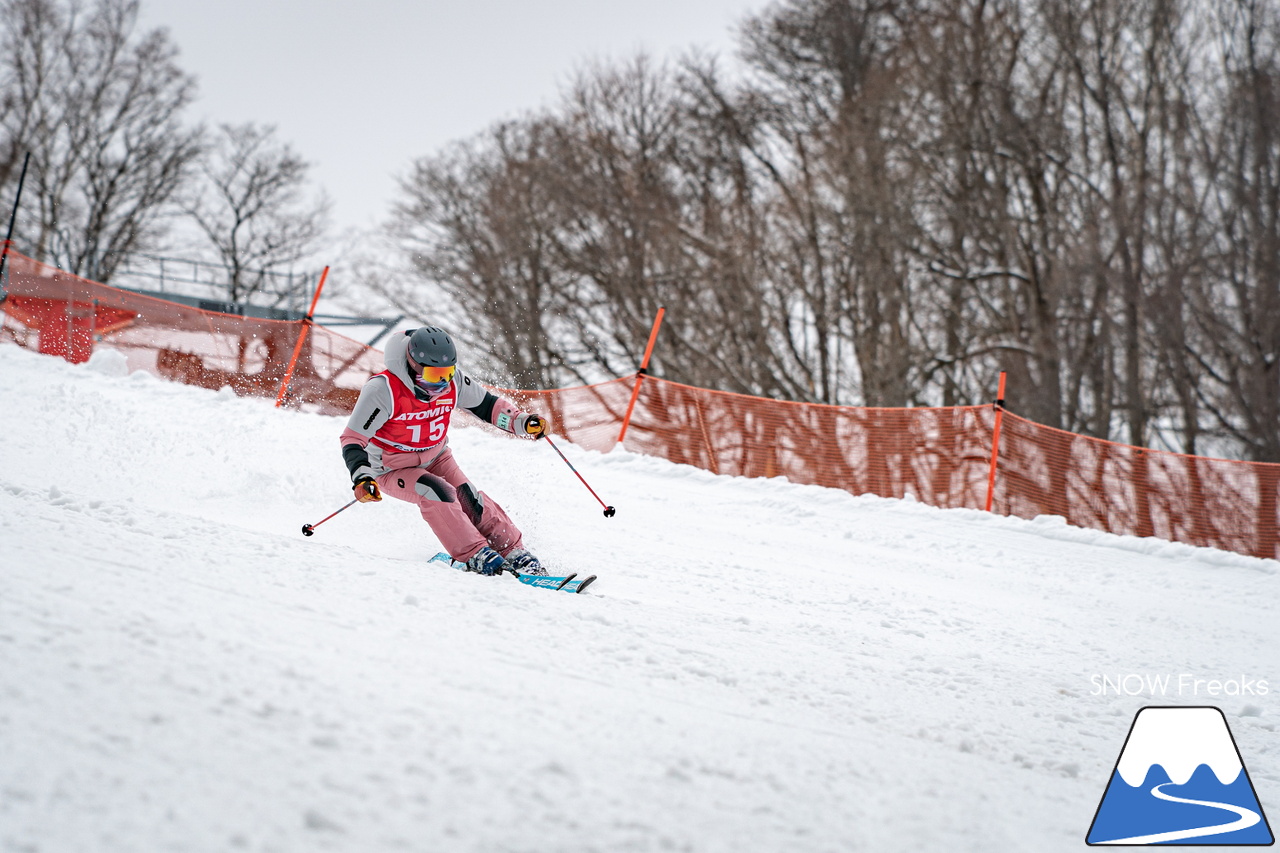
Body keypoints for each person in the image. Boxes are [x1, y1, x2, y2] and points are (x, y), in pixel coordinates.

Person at [339, 326, 549, 576]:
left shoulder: (453, 382)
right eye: (433, 374)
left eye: (447, 373)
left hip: (436, 456)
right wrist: (362, 477)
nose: (441, 382)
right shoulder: (384, 390)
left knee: (467, 496)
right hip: (390, 467)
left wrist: (521, 422)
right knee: (437, 491)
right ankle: (475, 554)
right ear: (413, 363)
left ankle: (512, 550)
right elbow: (352, 438)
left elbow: (486, 405)